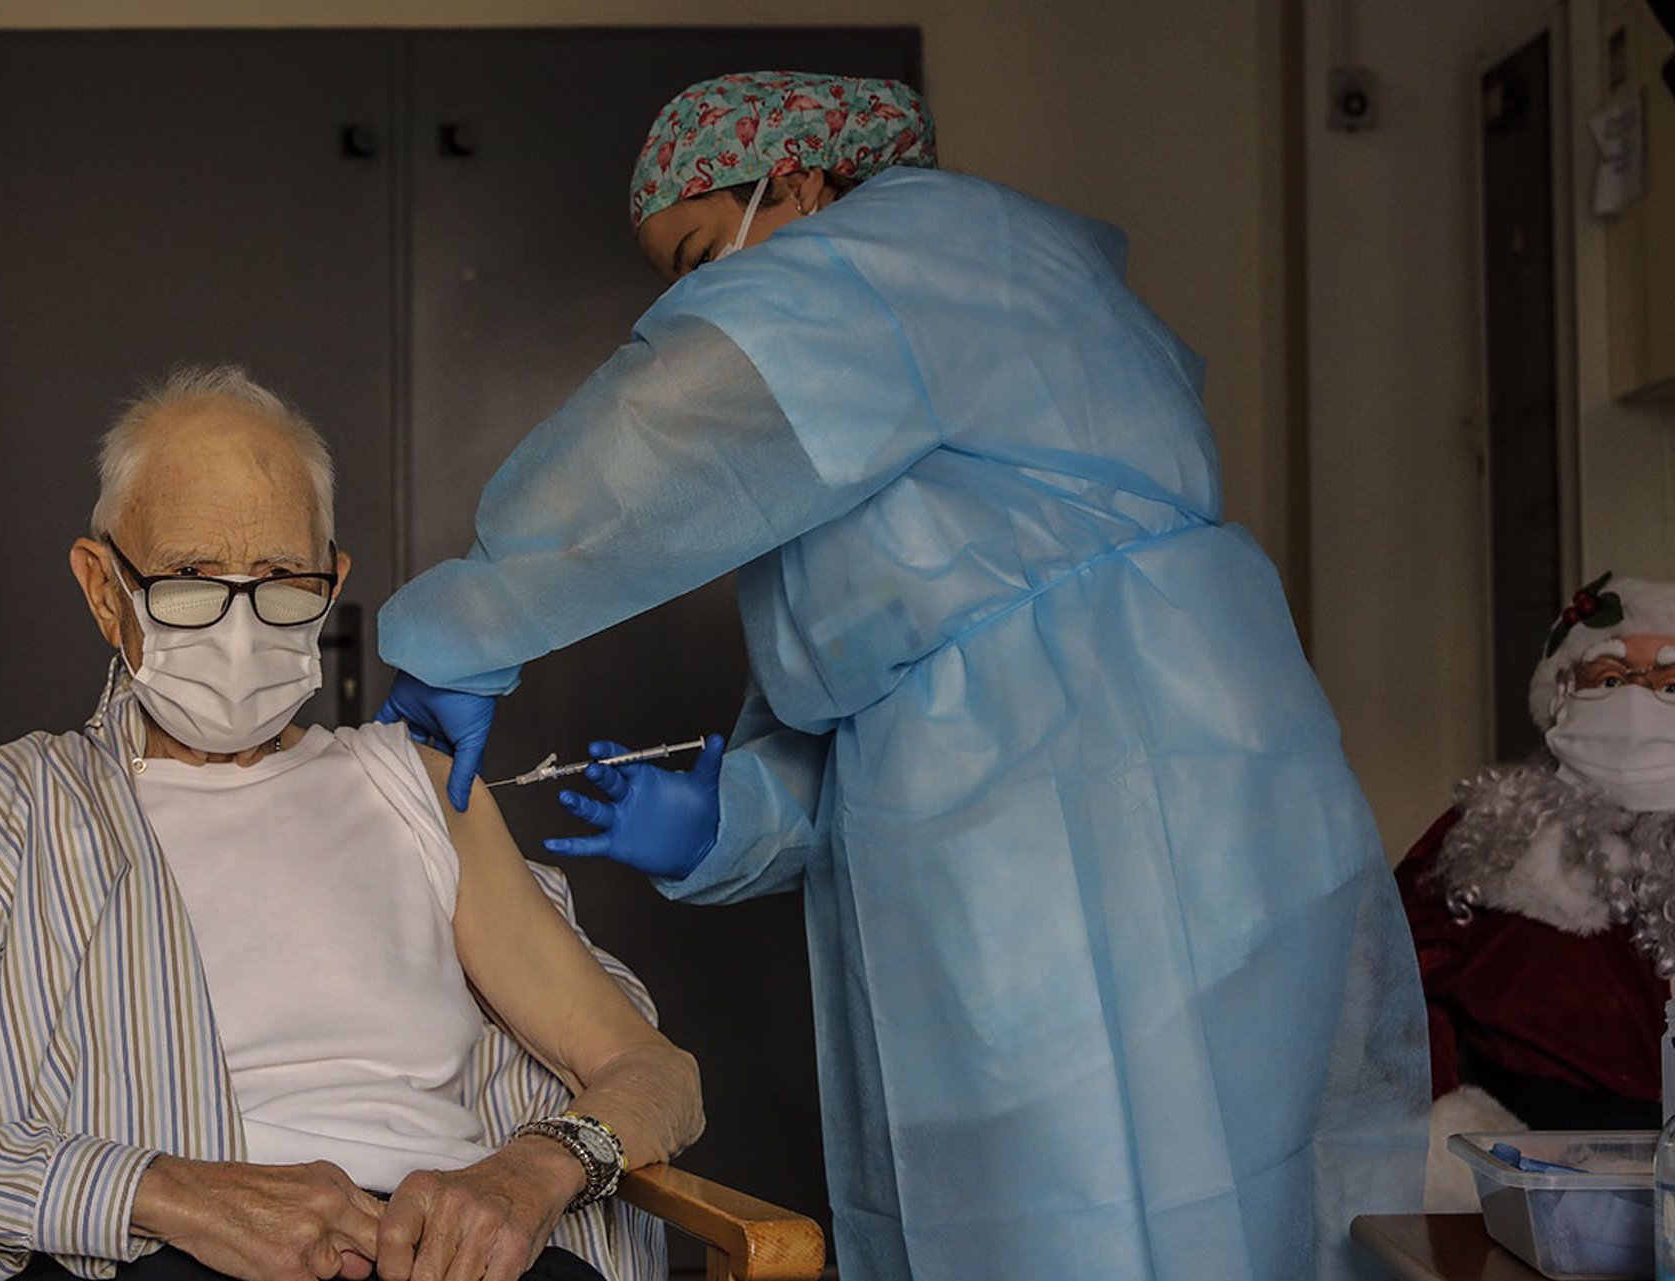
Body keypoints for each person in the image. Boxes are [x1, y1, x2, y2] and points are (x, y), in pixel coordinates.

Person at [375, 72, 1427, 1280]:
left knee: (1124, 1220)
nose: (704, 303)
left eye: (707, 252)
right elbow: (885, 709)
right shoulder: (904, 412)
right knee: (1072, 1222)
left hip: (1127, 815)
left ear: (807, 181)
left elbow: (656, 443)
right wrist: (728, 824)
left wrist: (463, 627)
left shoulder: (921, 246)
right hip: (1083, 826)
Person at [0, 368, 701, 1281]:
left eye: (283, 578)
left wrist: (526, 1173)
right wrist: (163, 1192)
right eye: (191, 578)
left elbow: (652, 1071)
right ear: (102, 589)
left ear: (332, 583)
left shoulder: (418, 792)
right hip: (156, 1251)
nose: (241, 628)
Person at [1399, 572, 1675, 1207]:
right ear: (1560, 695)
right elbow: (1388, 985)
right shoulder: (1487, 832)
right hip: (1527, 1174)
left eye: (1667, 684)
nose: (1635, 703)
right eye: (1608, 679)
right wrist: (1448, 1121)